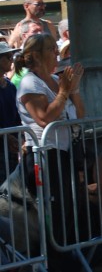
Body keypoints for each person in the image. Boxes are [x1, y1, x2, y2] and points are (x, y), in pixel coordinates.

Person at [14, 34, 84, 270]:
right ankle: (52, 261)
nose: (56, 53)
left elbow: (80, 115)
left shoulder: (56, 79)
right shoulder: (29, 83)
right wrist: (64, 92)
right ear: (38, 55)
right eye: (52, 49)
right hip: (43, 154)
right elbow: (44, 118)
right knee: (51, 211)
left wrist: (72, 89)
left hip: (64, 151)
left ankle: (68, 256)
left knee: (66, 209)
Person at [0, 42, 21, 183]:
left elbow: (16, 116)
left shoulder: (11, 86)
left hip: (11, 151)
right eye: (8, 56)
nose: (12, 59)